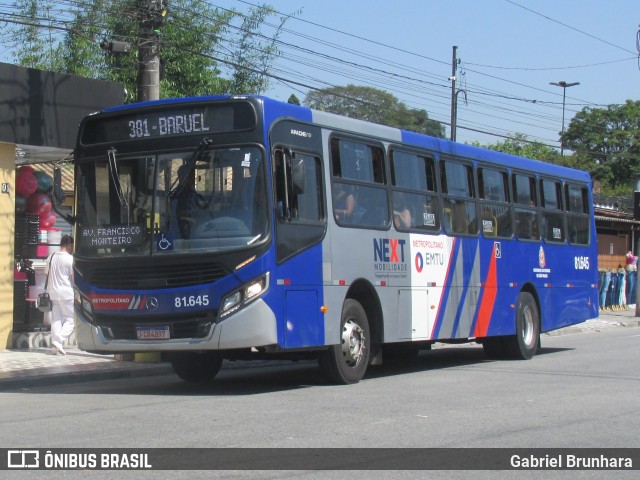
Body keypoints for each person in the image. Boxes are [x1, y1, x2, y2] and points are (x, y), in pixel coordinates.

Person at [46, 235, 74, 355]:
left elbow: (46, 273)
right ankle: (59, 340)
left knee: (56, 319)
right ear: (69, 245)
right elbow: (73, 277)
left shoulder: (51, 257)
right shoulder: (70, 259)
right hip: (66, 292)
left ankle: (55, 346)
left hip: (53, 291)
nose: (73, 248)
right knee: (71, 319)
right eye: (72, 245)